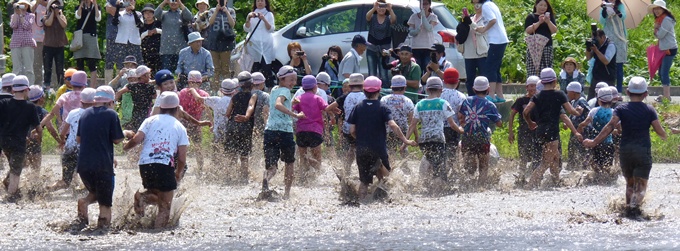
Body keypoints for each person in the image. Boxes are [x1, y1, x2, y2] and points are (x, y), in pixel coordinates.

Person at [583, 77, 667, 217]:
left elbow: (610, 126)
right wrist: (666, 135)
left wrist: (593, 142)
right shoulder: (649, 109)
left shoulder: (621, 108)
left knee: (629, 184)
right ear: (645, 94)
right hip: (642, 151)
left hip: (625, 151)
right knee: (641, 185)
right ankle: (634, 208)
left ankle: (628, 209)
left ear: (627, 92)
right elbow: (659, 130)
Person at [123, 91, 188, 229]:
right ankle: (157, 235)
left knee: (155, 193)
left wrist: (126, 147)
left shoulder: (149, 120)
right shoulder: (180, 127)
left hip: (145, 164)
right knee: (165, 206)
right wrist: (178, 172)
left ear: (160, 108)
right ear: (177, 109)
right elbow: (182, 157)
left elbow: (137, 139)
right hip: (164, 165)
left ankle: (142, 200)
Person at [349, 76, 416, 200]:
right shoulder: (383, 107)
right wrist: (405, 140)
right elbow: (393, 125)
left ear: (364, 91)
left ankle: (361, 202)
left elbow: (352, 130)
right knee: (385, 179)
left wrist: (360, 138)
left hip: (361, 148)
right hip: (378, 148)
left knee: (364, 182)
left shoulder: (357, 107)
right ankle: (384, 201)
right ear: (379, 91)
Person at [523, 68, 583, 188]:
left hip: (540, 131)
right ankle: (530, 185)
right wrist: (579, 112)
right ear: (555, 81)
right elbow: (570, 111)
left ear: (542, 82)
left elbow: (525, 111)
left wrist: (530, 122)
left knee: (555, 157)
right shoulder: (559, 94)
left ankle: (556, 181)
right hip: (552, 132)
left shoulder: (537, 96)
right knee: (546, 162)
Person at [75, 85, 123, 229]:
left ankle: (83, 205)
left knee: (96, 192)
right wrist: (125, 134)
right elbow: (117, 140)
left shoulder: (84, 114)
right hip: (102, 166)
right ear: (111, 102)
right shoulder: (111, 114)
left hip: (83, 166)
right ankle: (103, 228)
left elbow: (79, 139)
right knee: (105, 203)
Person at [407, 77, 465, 189]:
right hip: (438, 139)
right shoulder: (443, 103)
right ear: (441, 90)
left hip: (424, 141)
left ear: (427, 90)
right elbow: (452, 124)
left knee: (431, 161)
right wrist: (461, 130)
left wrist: (405, 142)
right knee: (440, 167)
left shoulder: (419, 104)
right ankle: (438, 190)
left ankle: (426, 185)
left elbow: (412, 125)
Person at [261, 66, 306, 200]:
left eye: (295, 80)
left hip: (270, 131)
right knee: (289, 162)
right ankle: (287, 193)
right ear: (281, 79)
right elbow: (278, 104)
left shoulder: (274, 89)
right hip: (285, 131)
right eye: (290, 79)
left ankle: (266, 179)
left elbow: (279, 101)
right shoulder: (285, 91)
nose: (293, 83)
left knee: (272, 167)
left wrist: (292, 101)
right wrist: (295, 115)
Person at [0, 76, 42, 202]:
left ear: (13, 89)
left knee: (15, 164)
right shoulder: (30, 107)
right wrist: (39, 138)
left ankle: (8, 183)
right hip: (19, 143)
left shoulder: (4, 103)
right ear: (26, 90)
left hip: (4, 141)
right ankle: (11, 194)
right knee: (16, 169)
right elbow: (38, 127)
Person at [293, 75, 338, 181]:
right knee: (317, 157)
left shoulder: (298, 98)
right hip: (315, 131)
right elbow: (326, 108)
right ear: (315, 87)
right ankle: (316, 177)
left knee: (302, 156)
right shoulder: (318, 98)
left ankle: (303, 178)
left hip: (301, 130)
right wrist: (333, 112)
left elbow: (292, 109)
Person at [457, 76, 501, 186]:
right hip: (483, 138)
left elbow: (460, 115)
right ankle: (481, 186)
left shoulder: (466, 101)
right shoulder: (490, 105)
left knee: (468, 164)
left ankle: (468, 184)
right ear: (488, 89)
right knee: (484, 165)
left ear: (473, 89)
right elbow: (499, 123)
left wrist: (464, 124)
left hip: (467, 137)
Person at [49, 88, 96, 191]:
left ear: (81, 101)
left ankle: (45, 190)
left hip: (70, 149)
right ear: (95, 102)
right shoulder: (94, 115)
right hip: (84, 151)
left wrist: (62, 142)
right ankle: (84, 191)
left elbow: (63, 133)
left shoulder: (73, 113)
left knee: (65, 182)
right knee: (90, 179)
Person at [327, 73, 366, 177]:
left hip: (347, 129)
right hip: (361, 129)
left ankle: (346, 170)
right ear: (363, 85)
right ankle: (362, 172)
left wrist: (335, 110)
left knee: (353, 147)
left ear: (350, 85)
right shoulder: (365, 96)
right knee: (361, 149)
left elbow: (327, 108)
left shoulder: (344, 97)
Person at [222, 71, 258, 183]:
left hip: (232, 125)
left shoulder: (235, 96)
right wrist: (247, 116)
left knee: (231, 154)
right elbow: (251, 105)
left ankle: (227, 177)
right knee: (244, 155)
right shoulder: (253, 95)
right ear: (252, 84)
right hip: (245, 127)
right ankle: (243, 178)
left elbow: (228, 113)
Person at [189, 78, 238, 156]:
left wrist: (192, 90)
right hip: (231, 132)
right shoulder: (236, 101)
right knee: (230, 155)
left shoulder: (216, 100)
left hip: (218, 133)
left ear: (221, 90)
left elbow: (198, 99)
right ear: (234, 91)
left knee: (216, 155)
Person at [474, 0, 509, 103]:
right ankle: (500, 96)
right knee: (496, 68)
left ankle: (491, 96)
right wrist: (484, 28)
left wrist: (484, 29)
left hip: (496, 41)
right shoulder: (491, 4)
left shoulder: (485, 6)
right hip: (500, 40)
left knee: (490, 68)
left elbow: (493, 20)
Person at [508, 76, 541, 183]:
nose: (533, 88)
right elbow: (512, 114)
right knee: (523, 155)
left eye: (535, 86)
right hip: (524, 132)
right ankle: (521, 176)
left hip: (537, 132)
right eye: (531, 86)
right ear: (526, 87)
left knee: (538, 154)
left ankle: (535, 177)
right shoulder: (521, 100)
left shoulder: (540, 100)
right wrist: (510, 131)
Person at [579, 87, 615, 178]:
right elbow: (619, 128)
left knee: (594, 163)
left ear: (599, 100)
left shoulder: (594, 111)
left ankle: (597, 177)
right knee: (608, 164)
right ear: (611, 100)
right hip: (608, 143)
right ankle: (608, 177)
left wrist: (580, 127)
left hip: (595, 142)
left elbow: (585, 123)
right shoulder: (614, 112)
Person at [201, 0, 236, 93]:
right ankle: (215, 90)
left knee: (225, 68)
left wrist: (226, 12)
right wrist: (216, 10)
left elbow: (232, 24)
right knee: (216, 68)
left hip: (226, 42)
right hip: (214, 41)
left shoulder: (231, 10)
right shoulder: (212, 10)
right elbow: (210, 22)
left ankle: (228, 89)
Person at [177, 71, 208, 171]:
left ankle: (180, 167)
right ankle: (200, 168)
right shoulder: (203, 94)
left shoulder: (182, 92)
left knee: (181, 147)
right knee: (198, 147)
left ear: (188, 81)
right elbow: (207, 109)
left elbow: (178, 108)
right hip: (196, 123)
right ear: (200, 82)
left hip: (183, 123)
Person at [456, 2, 487, 96]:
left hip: (481, 52)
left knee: (483, 77)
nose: (476, 6)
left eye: (478, 4)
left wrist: (470, 23)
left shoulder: (486, 18)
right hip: (468, 53)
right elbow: (460, 31)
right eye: (474, 4)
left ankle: (484, 96)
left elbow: (481, 31)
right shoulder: (471, 17)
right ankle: (471, 97)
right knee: (470, 79)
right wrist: (464, 21)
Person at [380, 75, 414, 159]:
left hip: (388, 130)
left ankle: (391, 169)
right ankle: (407, 170)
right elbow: (412, 121)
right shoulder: (408, 101)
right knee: (404, 152)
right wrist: (416, 136)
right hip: (403, 130)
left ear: (391, 87)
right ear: (405, 87)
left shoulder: (384, 99)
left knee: (390, 153)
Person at [649, 0, 677, 102]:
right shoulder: (660, 20)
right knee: (661, 72)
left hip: (669, 49)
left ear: (663, 9)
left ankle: (667, 97)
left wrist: (656, 29)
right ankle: (666, 95)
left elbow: (660, 35)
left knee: (664, 73)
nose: (656, 11)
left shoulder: (666, 20)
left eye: (658, 8)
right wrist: (656, 30)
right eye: (655, 9)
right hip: (664, 48)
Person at [25, 85, 58, 171]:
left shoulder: (22, 109)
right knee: (35, 171)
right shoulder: (43, 112)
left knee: (20, 169)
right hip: (35, 142)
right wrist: (60, 141)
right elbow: (50, 128)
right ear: (41, 98)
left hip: (22, 141)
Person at [244, 0, 275, 87]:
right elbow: (247, 29)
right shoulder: (251, 14)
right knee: (254, 68)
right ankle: (254, 87)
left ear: (265, 3)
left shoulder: (269, 14)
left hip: (266, 46)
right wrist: (248, 19)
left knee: (266, 68)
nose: (260, 3)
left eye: (262, 1)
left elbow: (271, 29)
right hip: (253, 45)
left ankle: (268, 87)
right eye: (258, 1)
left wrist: (264, 19)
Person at [155, 0, 193, 71]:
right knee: (167, 72)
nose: (173, 3)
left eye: (176, 1)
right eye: (171, 1)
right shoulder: (164, 14)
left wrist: (180, 3)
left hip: (180, 48)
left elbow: (190, 17)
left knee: (181, 72)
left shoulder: (182, 14)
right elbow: (156, 14)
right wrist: (164, 2)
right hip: (166, 49)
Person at [440, 68, 466, 168]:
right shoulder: (461, 96)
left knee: (439, 153)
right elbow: (461, 116)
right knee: (451, 154)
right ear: (458, 82)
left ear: (443, 81)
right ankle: (450, 174)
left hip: (439, 128)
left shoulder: (439, 94)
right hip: (454, 129)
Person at [115, 65, 156, 131]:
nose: (150, 76)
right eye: (149, 74)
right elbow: (155, 96)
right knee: (147, 129)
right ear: (144, 76)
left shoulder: (132, 86)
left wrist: (114, 101)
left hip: (136, 112)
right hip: (147, 111)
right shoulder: (150, 87)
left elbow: (119, 92)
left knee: (136, 128)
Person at [523, 0, 557, 77]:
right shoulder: (531, 17)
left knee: (547, 69)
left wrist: (548, 22)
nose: (543, 7)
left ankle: (546, 86)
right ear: (536, 5)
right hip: (534, 48)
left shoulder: (549, 17)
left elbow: (554, 31)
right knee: (533, 70)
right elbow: (528, 31)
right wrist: (539, 22)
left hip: (547, 47)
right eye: (541, 5)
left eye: (545, 6)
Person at [600, 0, 628, 93]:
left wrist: (615, 10)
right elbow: (602, 20)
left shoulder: (620, 6)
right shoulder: (604, 5)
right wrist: (604, 10)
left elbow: (623, 16)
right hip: (608, 36)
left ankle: (619, 90)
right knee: (608, 63)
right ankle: (608, 89)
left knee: (619, 65)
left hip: (619, 37)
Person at [366, 0, 396, 84]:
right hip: (372, 48)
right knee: (372, 74)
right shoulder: (373, 17)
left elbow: (393, 20)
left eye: (383, 6)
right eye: (379, 6)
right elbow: (367, 17)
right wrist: (374, 8)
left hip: (385, 49)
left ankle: (384, 90)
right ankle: (371, 90)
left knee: (384, 73)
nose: (381, 9)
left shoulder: (388, 18)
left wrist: (390, 9)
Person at [74, 0, 102, 86]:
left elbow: (98, 18)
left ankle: (92, 87)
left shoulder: (96, 7)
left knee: (92, 63)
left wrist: (95, 5)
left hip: (91, 36)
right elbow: (78, 16)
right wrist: (82, 4)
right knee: (80, 62)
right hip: (80, 37)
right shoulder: (78, 7)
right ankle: (80, 84)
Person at [113, 0, 144, 74]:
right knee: (121, 64)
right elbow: (114, 23)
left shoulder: (138, 14)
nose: (129, 3)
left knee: (137, 64)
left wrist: (133, 11)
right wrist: (117, 8)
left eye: (131, 1)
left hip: (134, 42)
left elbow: (140, 25)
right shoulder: (120, 14)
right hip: (122, 42)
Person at [10, 0, 36, 85]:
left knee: (28, 68)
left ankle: (30, 86)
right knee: (17, 68)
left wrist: (21, 15)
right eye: (20, 4)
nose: (22, 6)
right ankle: (16, 86)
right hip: (15, 43)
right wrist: (16, 12)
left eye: (24, 4)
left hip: (27, 44)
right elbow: (13, 25)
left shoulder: (31, 15)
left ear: (27, 6)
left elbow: (27, 26)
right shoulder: (14, 16)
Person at [408, 0, 439, 71]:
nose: (424, 6)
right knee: (417, 67)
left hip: (428, 47)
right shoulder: (414, 17)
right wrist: (417, 30)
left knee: (426, 66)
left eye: (426, 4)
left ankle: (425, 81)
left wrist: (423, 16)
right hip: (416, 47)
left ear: (429, 5)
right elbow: (411, 32)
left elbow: (429, 28)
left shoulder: (433, 17)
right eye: (422, 4)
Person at [566, 82, 590, 171]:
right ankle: (571, 165)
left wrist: (583, 125)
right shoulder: (573, 102)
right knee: (571, 147)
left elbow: (588, 113)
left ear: (574, 92)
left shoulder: (581, 100)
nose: (567, 94)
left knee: (581, 149)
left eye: (568, 92)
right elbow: (573, 113)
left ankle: (583, 167)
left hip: (582, 130)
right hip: (575, 130)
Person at [586, 29, 617, 100]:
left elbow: (606, 61)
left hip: (607, 77)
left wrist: (596, 50)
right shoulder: (596, 45)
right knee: (591, 99)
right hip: (596, 76)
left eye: (596, 38)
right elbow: (588, 58)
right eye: (593, 38)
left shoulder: (610, 45)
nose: (594, 40)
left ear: (603, 37)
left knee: (608, 100)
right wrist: (588, 48)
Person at [139, 4, 162, 74]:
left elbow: (167, 34)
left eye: (150, 12)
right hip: (145, 53)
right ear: (143, 14)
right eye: (146, 13)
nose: (148, 15)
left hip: (159, 51)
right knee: (147, 72)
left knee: (159, 70)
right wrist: (146, 33)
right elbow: (138, 38)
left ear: (154, 14)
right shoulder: (141, 25)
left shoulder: (159, 23)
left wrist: (158, 31)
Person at [32, 0, 48, 90]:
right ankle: (37, 86)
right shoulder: (34, 2)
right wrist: (38, 2)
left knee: (50, 63)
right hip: (36, 38)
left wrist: (45, 4)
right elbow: (30, 11)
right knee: (36, 63)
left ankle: (50, 86)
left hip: (49, 39)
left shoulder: (52, 2)